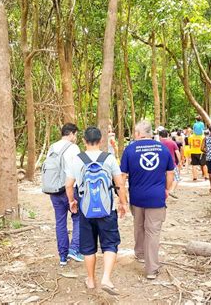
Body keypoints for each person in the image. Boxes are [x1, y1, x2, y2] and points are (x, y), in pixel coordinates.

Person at [65, 127, 128, 295]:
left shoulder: (77, 160)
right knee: (110, 244)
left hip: (85, 210)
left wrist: (72, 202)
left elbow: (69, 185)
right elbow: (119, 184)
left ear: (84, 141)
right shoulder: (109, 158)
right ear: (101, 141)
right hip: (107, 210)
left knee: (88, 246)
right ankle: (106, 278)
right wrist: (123, 203)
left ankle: (91, 280)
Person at [120, 120, 174, 280]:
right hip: (156, 197)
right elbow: (170, 173)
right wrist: (166, 190)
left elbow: (122, 177)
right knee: (153, 231)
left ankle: (140, 254)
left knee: (138, 225)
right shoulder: (163, 149)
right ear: (151, 133)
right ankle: (151, 269)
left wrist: (122, 197)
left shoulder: (130, 150)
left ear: (137, 133)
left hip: (137, 197)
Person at [47, 123, 84, 266]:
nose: (76, 137)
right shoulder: (73, 148)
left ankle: (62, 256)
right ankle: (74, 249)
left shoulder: (52, 147)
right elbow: (79, 169)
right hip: (70, 188)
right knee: (78, 217)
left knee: (60, 222)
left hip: (54, 189)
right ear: (72, 134)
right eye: (76, 135)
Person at [159, 129, 182, 198]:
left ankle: (163, 192)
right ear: (168, 135)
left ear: (160, 136)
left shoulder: (158, 144)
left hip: (161, 164)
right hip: (172, 163)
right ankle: (170, 191)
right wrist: (180, 162)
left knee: (163, 178)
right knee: (176, 178)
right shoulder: (172, 142)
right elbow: (177, 153)